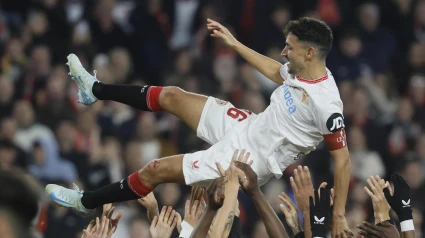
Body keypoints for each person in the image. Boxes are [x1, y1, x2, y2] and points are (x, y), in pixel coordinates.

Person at [46, 17, 351, 237]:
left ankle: (85, 202)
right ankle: (94, 90)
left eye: (290, 48)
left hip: (248, 158)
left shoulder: (327, 105)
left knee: (154, 170)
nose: (284, 53)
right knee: (172, 96)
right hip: (249, 124)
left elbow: (343, 160)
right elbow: (277, 71)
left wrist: (338, 215)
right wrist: (234, 43)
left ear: (310, 53)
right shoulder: (301, 71)